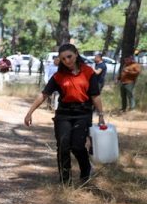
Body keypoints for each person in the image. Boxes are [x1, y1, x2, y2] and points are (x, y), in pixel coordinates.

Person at [24, 43, 105, 185]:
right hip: (64, 114)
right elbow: (44, 95)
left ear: (76, 54)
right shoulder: (58, 76)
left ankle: (86, 171)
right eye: (63, 59)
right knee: (63, 145)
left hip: (83, 113)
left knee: (78, 146)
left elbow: (95, 96)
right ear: (60, 60)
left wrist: (101, 115)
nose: (67, 61)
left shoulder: (88, 72)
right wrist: (30, 112)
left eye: (69, 56)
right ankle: (65, 182)